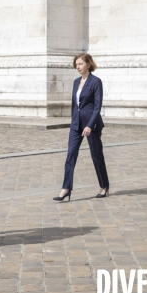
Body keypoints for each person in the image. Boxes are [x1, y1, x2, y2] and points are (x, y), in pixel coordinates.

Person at [53, 53, 110, 201]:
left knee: (96, 155)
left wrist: (90, 125)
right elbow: (75, 105)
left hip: (92, 124)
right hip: (76, 124)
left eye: (80, 64)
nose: (78, 66)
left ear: (88, 64)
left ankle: (104, 186)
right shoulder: (75, 82)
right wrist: (73, 122)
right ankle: (66, 189)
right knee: (70, 154)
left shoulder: (96, 82)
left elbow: (97, 106)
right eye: (76, 64)